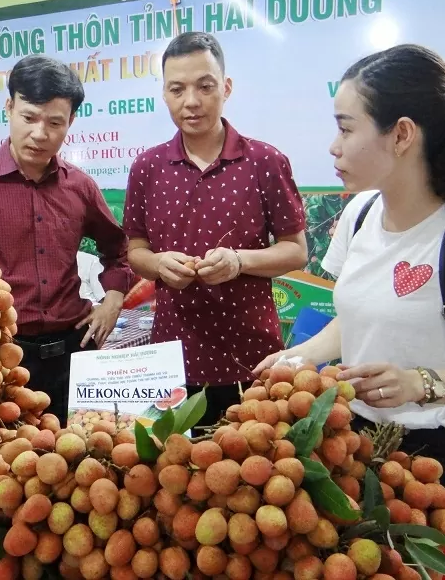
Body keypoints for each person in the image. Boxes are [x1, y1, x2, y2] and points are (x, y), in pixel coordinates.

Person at [253, 44, 445, 542]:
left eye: (346, 128)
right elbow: (358, 320)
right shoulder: (361, 215)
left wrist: (419, 383)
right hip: (349, 443)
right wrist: (299, 357)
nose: (333, 146)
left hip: (433, 463)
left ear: (402, 134)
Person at [123, 31, 309, 426]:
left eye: (205, 86)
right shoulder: (147, 168)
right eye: (177, 89)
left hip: (253, 356)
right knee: (177, 475)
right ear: (165, 94)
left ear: (226, 87)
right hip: (173, 359)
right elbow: (135, 251)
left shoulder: (265, 161)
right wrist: (156, 265)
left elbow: (296, 250)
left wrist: (239, 262)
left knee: (257, 473)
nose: (191, 101)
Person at [0, 55, 134, 428]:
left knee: (82, 461)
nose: (40, 133)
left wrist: (112, 300)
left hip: (74, 355)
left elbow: (119, 249)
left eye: (55, 122)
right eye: (29, 117)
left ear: (70, 122)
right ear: (9, 107)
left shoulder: (80, 186)